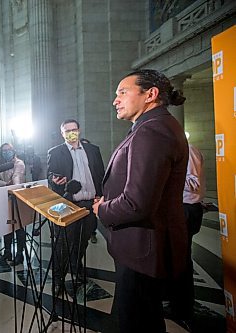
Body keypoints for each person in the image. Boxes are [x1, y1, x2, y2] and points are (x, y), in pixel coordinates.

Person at [92, 69, 189, 333]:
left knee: (135, 323)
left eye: (123, 92)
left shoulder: (152, 131)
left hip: (141, 250)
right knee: (143, 319)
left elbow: (137, 203)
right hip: (143, 247)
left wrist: (103, 209)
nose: (116, 100)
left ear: (150, 94)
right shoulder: (153, 126)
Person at [47, 119, 105, 296]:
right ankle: (58, 279)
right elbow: (49, 175)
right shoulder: (56, 152)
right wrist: (55, 180)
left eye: (74, 129)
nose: (71, 133)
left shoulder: (93, 150)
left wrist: (101, 196)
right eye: (67, 131)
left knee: (82, 241)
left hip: (89, 204)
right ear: (62, 133)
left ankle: (76, 267)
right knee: (63, 244)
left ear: (79, 130)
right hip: (68, 204)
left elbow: (101, 174)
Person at [166, 143, 206, 328]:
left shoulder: (187, 150)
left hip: (186, 210)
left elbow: (194, 184)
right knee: (173, 258)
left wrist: (167, 175)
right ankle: (174, 301)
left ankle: (183, 309)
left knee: (181, 260)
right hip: (178, 209)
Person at [0, 143, 26, 266]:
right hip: (5, 196)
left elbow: (17, 177)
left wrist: (12, 184)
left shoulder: (19, 163)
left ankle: (20, 254)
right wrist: (5, 184)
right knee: (7, 226)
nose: (6, 152)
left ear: (13, 150)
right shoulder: (0, 164)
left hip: (18, 197)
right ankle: (7, 252)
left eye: (8, 150)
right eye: (4, 151)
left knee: (19, 226)